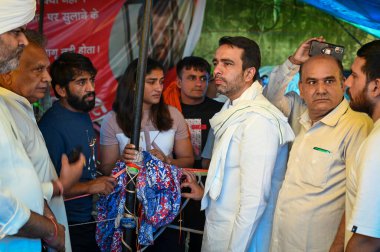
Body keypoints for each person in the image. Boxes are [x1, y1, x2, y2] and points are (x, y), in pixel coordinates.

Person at [181, 36, 294, 252]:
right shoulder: (233, 111)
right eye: (216, 63)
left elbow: (255, 201)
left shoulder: (258, 120)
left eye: (228, 63)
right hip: (220, 230)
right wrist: (205, 192)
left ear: (249, 73)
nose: (217, 70)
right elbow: (232, 177)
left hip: (244, 242)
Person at [266, 38, 373, 252]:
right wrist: (294, 61)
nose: (321, 89)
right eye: (312, 82)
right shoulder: (299, 113)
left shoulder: (357, 125)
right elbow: (269, 97)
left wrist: (339, 246)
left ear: (343, 83)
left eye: (329, 81)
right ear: (302, 88)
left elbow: (360, 199)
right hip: (280, 242)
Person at [0, 0, 82, 251]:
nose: (22, 41)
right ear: (8, 75)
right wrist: (51, 231)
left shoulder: (12, 107)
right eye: (15, 32)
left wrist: (56, 188)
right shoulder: (9, 107)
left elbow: (16, 181)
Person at [39, 52, 116, 252]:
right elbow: (44, 190)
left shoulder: (81, 113)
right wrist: (91, 186)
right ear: (61, 90)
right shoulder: (51, 127)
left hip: (89, 218)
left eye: (91, 80)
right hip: (68, 223)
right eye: (81, 82)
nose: (91, 88)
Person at [99, 58, 194, 174]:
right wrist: (122, 160)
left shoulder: (173, 115)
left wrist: (167, 161)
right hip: (128, 190)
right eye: (151, 82)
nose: (159, 88)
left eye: (161, 81)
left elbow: (188, 160)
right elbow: (105, 169)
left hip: (165, 190)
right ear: (134, 85)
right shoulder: (112, 119)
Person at [343, 40, 380, 251]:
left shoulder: (376, 144)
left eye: (355, 76)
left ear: (375, 86)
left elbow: (368, 238)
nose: (347, 82)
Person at [163, 56, 223, 168]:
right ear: (179, 82)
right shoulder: (166, 112)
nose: (199, 84)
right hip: (172, 178)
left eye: (203, 78)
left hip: (208, 179)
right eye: (192, 78)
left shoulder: (220, 111)